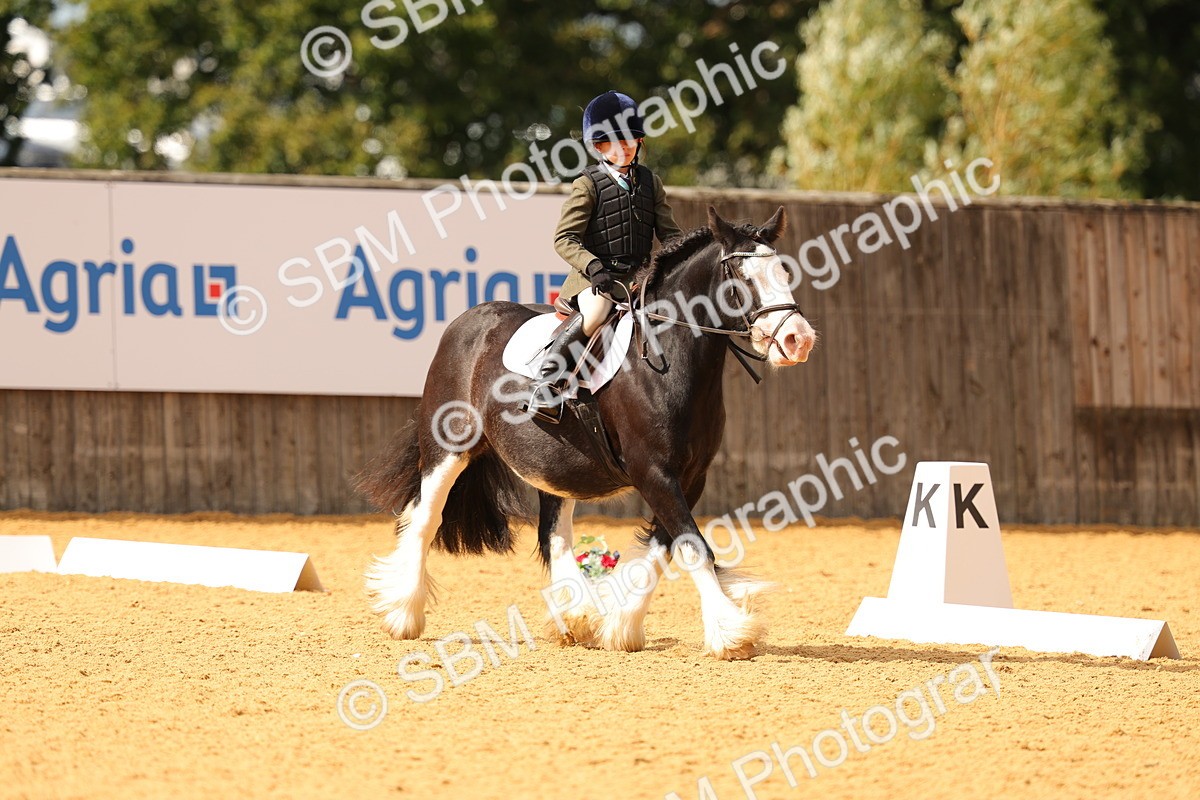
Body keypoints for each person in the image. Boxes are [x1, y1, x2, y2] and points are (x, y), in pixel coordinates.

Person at [525, 90, 684, 423]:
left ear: (639, 140)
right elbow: (564, 238)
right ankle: (546, 385)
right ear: (599, 146)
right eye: (615, 141)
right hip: (595, 280)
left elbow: (670, 234)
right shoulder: (587, 185)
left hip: (638, 279)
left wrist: (682, 256)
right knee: (596, 313)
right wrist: (594, 267)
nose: (624, 147)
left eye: (630, 140)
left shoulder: (651, 183)